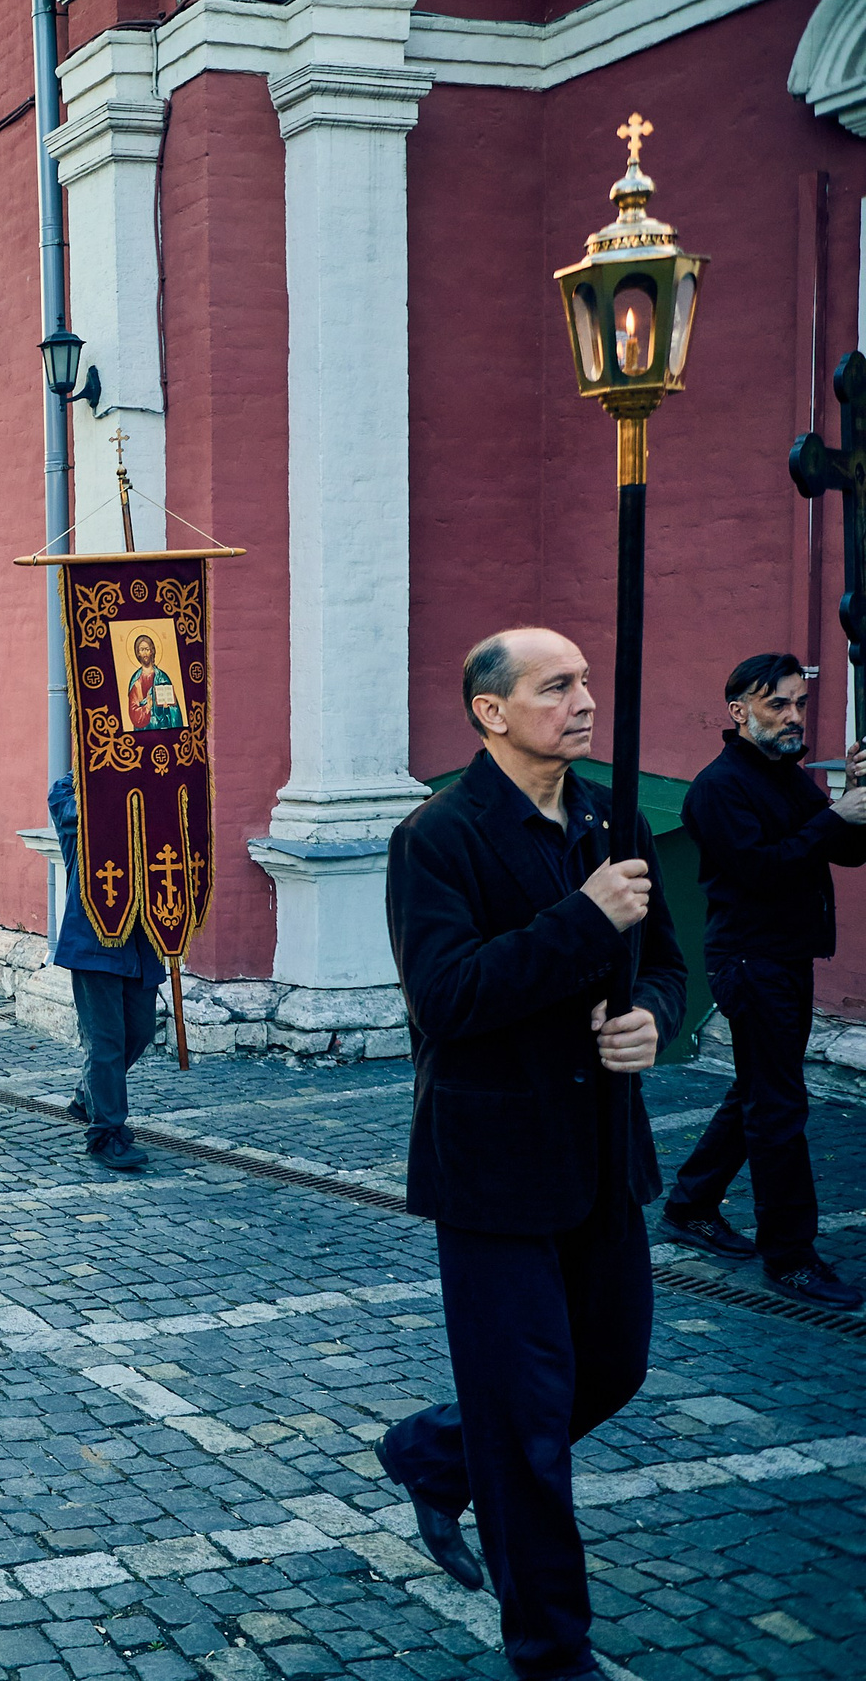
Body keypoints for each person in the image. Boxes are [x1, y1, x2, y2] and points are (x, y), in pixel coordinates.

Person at [376, 628, 683, 1681]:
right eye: (555, 687)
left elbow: (667, 967)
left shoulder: (612, 814)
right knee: (527, 1427)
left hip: (601, 1152)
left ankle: (430, 1451)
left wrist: (649, 1015)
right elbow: (447, 998)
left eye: (586, 681)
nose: (583, 700)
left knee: (612, 1365)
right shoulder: (437, 836)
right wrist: (580, 917)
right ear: (490, 711)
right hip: (493, 1165)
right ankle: (552, 1649)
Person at [662, 653, 866, 1309]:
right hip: (750, 961)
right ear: (738, 710)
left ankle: (690, 1206)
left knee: (759, 1088)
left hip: (787, 955)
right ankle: (791, 1258)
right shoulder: (718, 789)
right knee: (779, 1107)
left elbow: (844, 850)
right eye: (777, 703)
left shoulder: (787, 776)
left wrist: (850, 799)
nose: (792, 716)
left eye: (799, 704)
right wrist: (835, 816)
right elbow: (762, 871)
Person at [47, 772, 163, 1172]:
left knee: (141, 1031)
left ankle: (88, 1096)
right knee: (107, 1040)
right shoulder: (68, 791)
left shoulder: (151, 788)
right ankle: (106, 1133)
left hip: (141, 940)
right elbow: (90, 815)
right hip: (95, 939)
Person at [125, 633, 184, 730]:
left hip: (162, 726)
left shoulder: (162, 677)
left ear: (152, 651)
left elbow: (174, 710)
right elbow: (133, 710)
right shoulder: (136, 681)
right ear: (138, 653)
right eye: (142, 650)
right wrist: (147, 707)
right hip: (144, 728)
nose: (145, 653)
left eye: (147, 649)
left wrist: (166, 708)